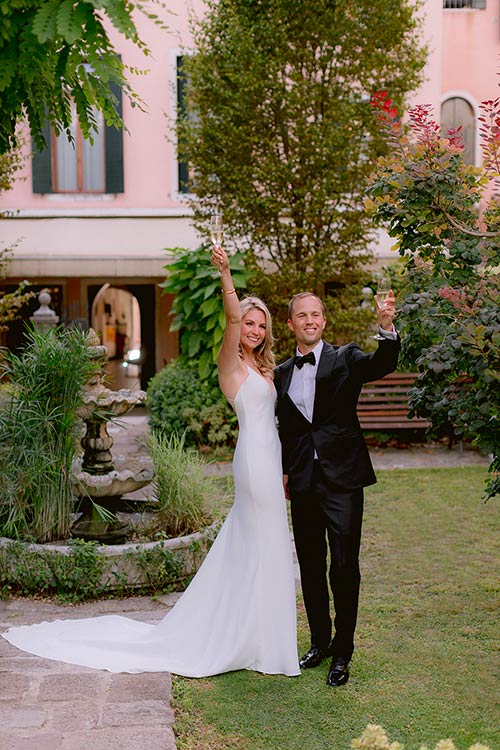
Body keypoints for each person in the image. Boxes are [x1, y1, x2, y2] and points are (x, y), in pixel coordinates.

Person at [1, 247, 300, 678]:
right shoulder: (230, 364)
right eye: (248, 323)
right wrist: (226, 277)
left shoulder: (266, 368)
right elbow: (231, 319)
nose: (252, 329)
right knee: (262, 539)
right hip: (253, 462)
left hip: (271, 458)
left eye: (259, 325)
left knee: (266, 544)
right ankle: (251, 640)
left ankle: (261, 636)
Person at [274, 289, 399, 687]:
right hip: (304, 484)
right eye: (301, 315)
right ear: (291, 323)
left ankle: (343, 652)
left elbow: (383, 362)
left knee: (343, 568)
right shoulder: (280, 373)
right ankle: (320, 642)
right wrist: (285, 471)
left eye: (315, 314)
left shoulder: (345, 359)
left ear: (323, 321)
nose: (309, 320)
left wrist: (385, 326)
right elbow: (287, 430)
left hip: (343, 480)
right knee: (310, 567)